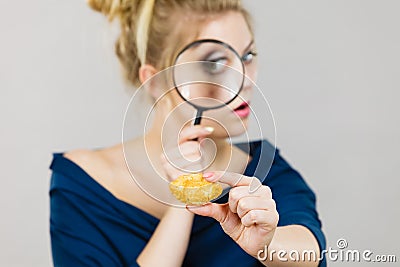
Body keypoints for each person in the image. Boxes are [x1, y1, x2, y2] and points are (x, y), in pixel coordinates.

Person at [49, 0, 326, 266]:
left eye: (248, 56)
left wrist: (268, 244)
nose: (246, 80)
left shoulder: (264, 170)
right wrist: (185, 198)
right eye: (215, 63)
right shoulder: (82, 184)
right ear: (156, 81)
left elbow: (310, 251)